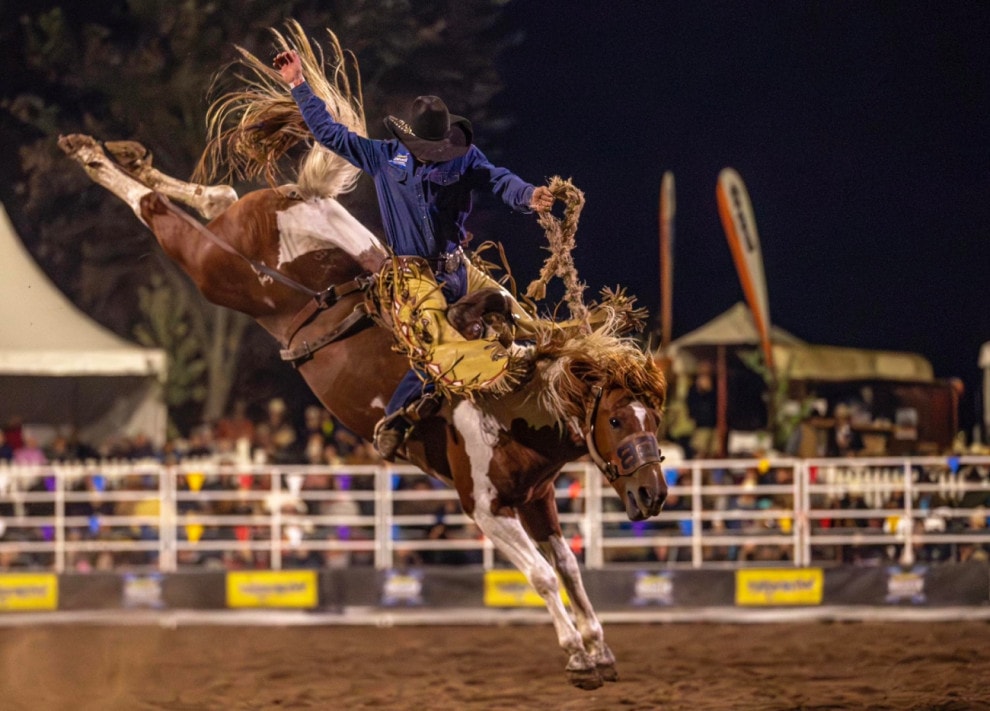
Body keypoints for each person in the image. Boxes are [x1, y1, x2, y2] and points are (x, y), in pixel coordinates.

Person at [274, 49, 554, 461]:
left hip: (458, 266)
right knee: (436, 343)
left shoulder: (464, 159)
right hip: (412, 276)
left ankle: (549, 391)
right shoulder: (385, 157)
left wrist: (529, 195)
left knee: (527, 322)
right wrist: (299, 85)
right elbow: (331, 134)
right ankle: (398, 417)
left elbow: (499, 180)